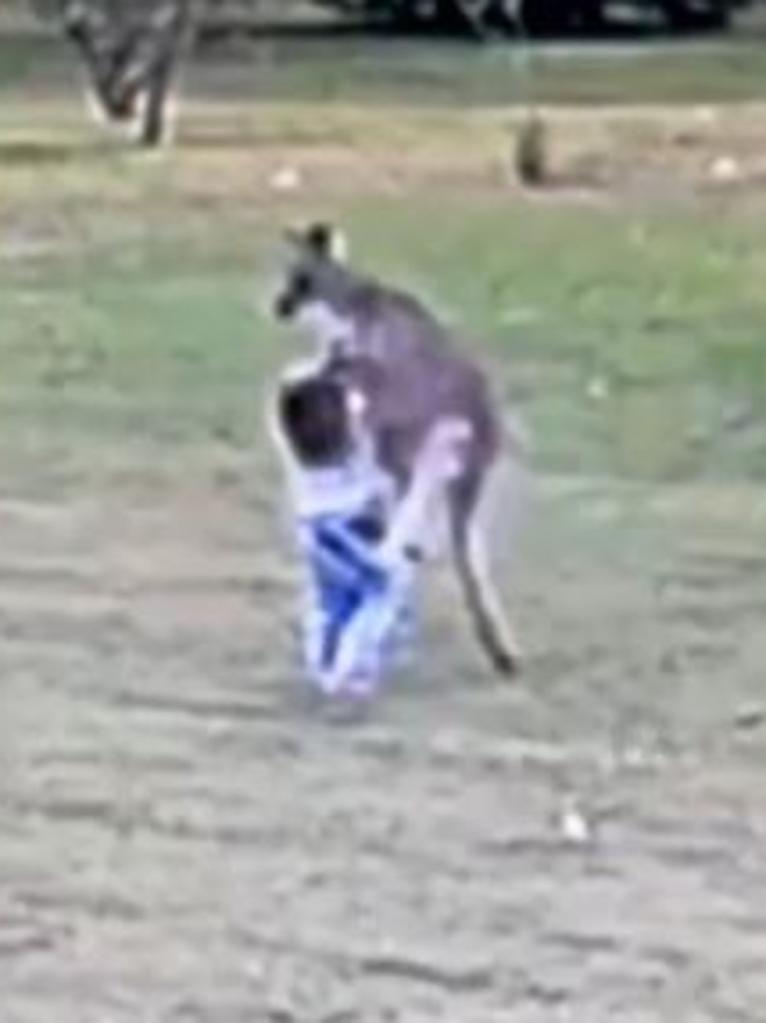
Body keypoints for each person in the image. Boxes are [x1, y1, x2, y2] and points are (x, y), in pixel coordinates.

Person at [272, 364, 470, 703]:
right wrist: (429, 474)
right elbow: (386, 572)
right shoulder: (335, 515)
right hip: (348, 671)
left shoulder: (321, 478)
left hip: (350, 650)